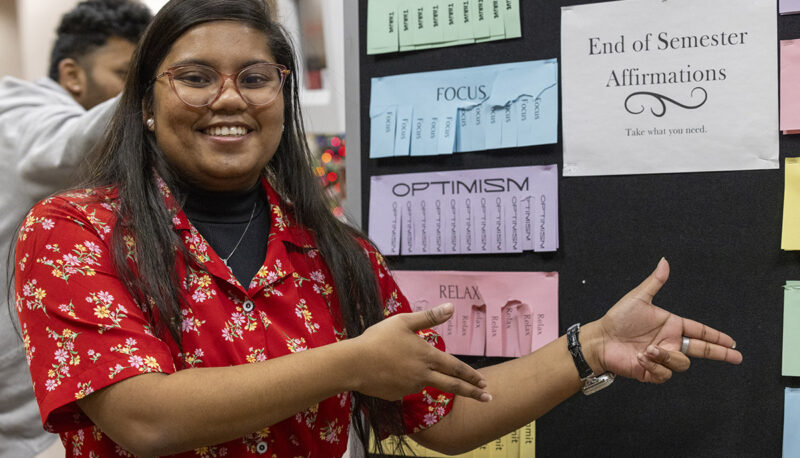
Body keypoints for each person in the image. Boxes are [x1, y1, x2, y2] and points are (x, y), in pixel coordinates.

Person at [12, 0, 743, 456]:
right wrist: (349, 364)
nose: (228, 97)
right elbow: (144, 420)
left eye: (256, 77)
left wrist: (589, 348)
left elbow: (442, 417)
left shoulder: (334, 248)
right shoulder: (73, 231)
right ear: (143, 104)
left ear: (283, 97)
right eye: (196, 76)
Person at [0, 1, 151, 457]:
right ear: (72, 75)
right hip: (23, 419)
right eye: (128, 73)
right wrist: (165, 83)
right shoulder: (19, 113)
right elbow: (69, 146)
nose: (136, 88)